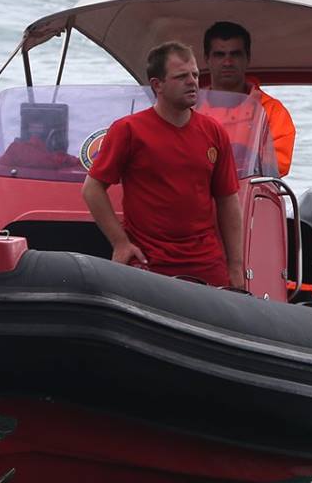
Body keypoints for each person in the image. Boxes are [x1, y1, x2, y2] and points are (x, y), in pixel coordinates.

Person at [81, 41, 247, 290]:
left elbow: (228, 200)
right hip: (149, 262)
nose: (192, 82)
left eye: (195, 75)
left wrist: (235, 266)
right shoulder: (128, 130)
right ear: (157, 85)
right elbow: (92, 189)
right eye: (181, 77)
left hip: (206, 263)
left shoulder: (214, 132)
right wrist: (120, 243)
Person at [202, 20, 297, 177]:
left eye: (235, 54)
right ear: (207, 59)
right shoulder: (188, 107)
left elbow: (277, 166)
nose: (227, 62)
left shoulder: (272, 110)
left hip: (250, 190)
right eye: (220, 55)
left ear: (248, 58)